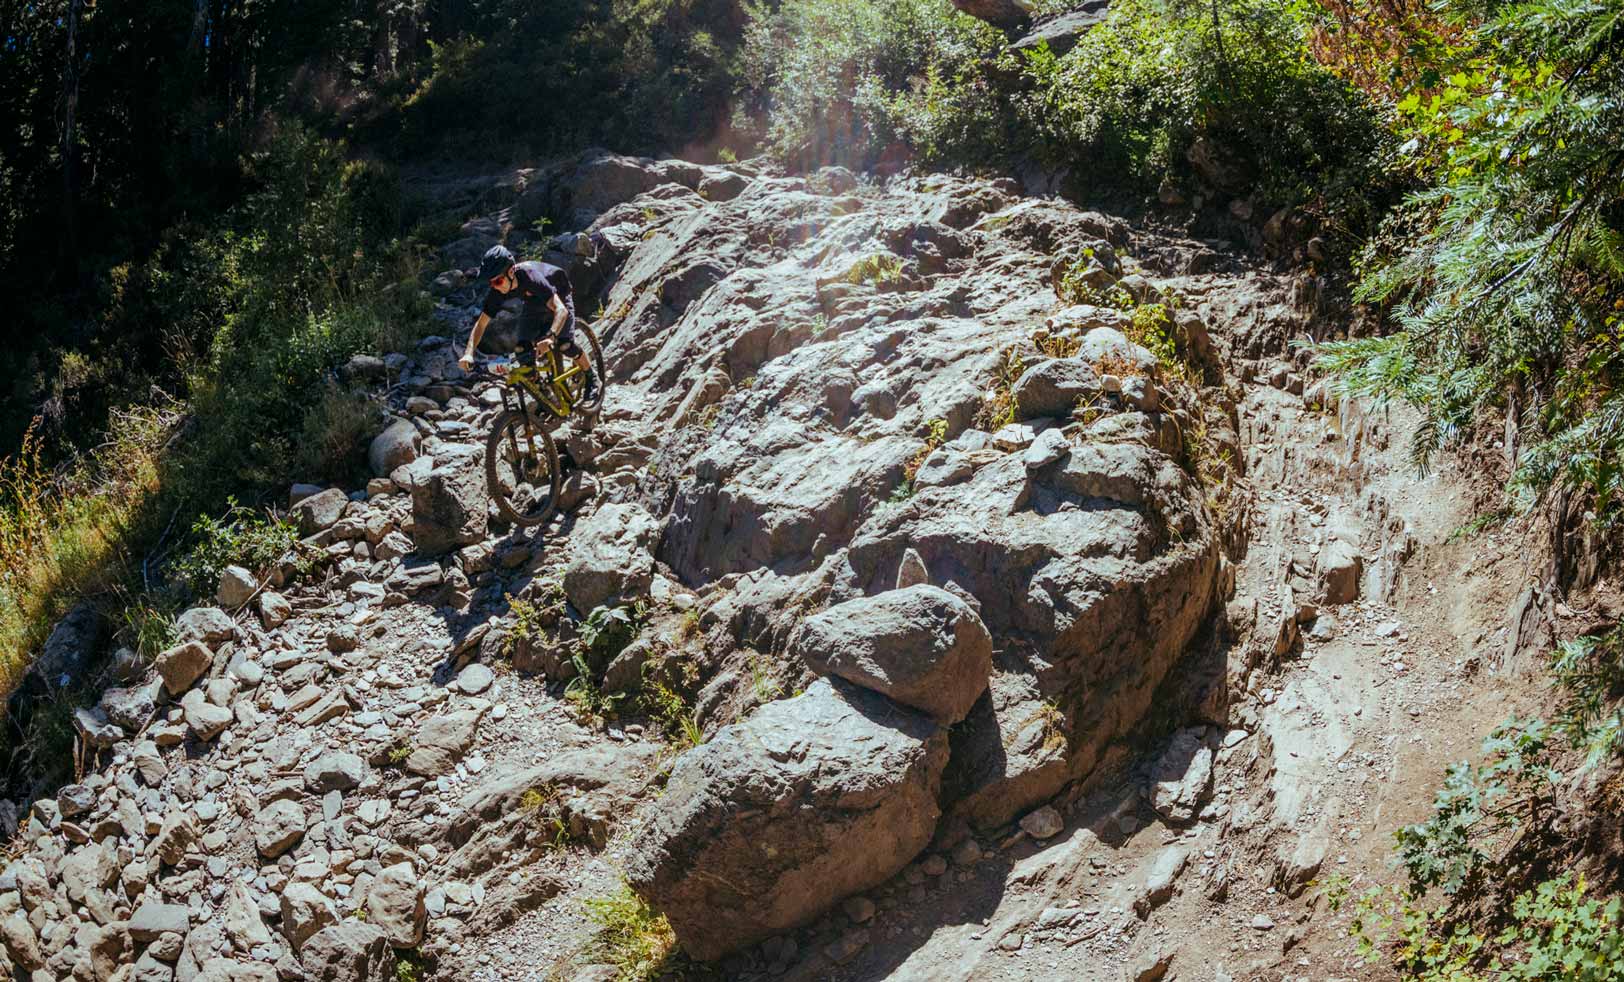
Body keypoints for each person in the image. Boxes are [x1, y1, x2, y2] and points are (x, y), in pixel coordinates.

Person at [458, 245, 594, 400]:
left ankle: (591, 377)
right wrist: (468, 354)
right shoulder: (497, 291)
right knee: (522, 350)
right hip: (533, 303)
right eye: (491, 283)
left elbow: (561, 310)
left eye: (498, 281)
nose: (494, 286)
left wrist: (550, 336)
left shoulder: (530, 276)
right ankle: (544, 395)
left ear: (511, 272)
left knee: (564, 345)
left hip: (559, 295)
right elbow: (481, 324)